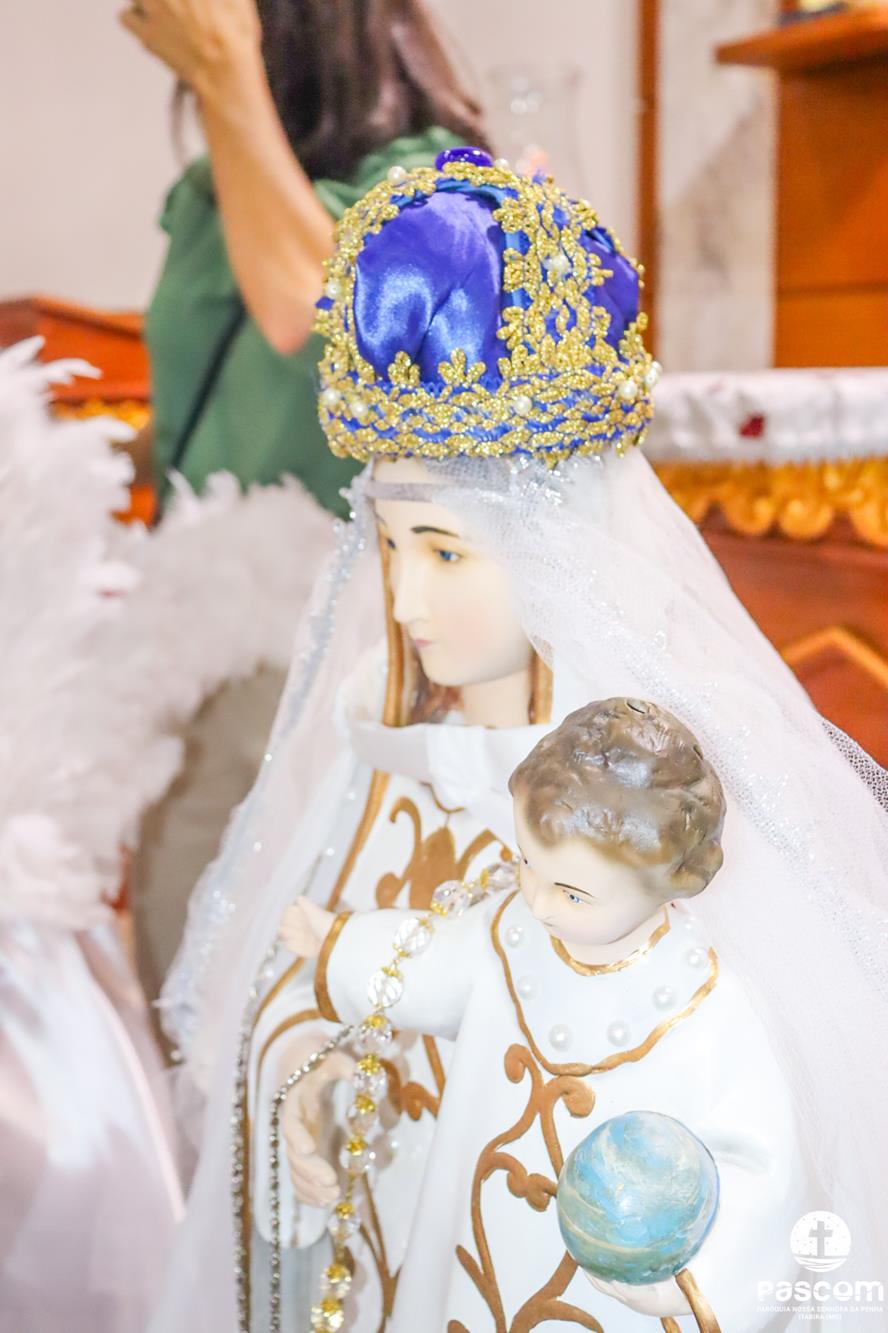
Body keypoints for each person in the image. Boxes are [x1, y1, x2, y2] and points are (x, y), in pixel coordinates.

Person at [152, 148, 888, 1332]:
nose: (404, 602)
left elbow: (750, 1107)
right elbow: (300, 970)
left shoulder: (649, 791)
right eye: (391, 549)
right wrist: (308, 1077)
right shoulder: (384, 750)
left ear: (556, 548)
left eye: (447, 551)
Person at [119, 0, 488, 1004]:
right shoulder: (207, 192)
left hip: (318, 628)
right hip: (186, 612)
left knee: (239, 951)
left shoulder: (426, 180)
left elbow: (310, 311)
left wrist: (227, 71)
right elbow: (218, 393)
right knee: (166, 912)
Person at [282, 698, 813, 1331]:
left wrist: (694, 1281)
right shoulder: (515, 932)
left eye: (573, 894)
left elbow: (766, 1169)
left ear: (668, 884)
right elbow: (434, 960)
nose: (537, 902)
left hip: (618, 1280)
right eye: (527, 864)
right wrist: (340, 943)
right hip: (477, 1239)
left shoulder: (710, 1010)